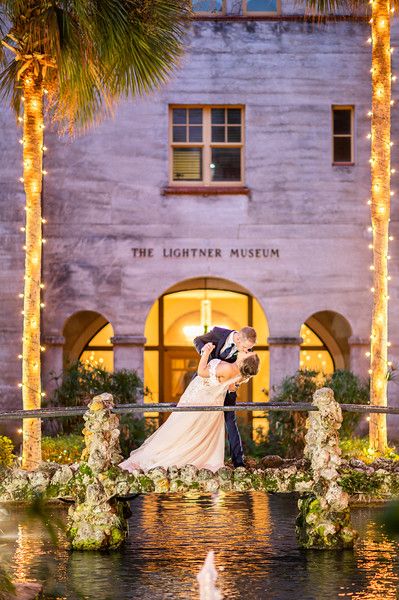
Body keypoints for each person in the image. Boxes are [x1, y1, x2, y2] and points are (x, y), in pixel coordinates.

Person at [119, 342, 260, 473]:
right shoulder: (238, 375)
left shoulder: (228, 368)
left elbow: (201, 372)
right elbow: (230, 389)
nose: (247, 350)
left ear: (243, 361)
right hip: (212, 402)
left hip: (198, 397)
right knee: (193, 432)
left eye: (248, 353)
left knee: (180, 428)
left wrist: (206, 352)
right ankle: (193, 460)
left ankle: (158, 459)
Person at [193, 326, 257, 467]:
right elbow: (197, 340)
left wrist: (236, 383)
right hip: (205, 385)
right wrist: (205, 351)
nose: (247, 351)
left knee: (230, 422)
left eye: (249, 349)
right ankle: (196, 458)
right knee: (197, 420)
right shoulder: (218, 332)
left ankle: (238, 462)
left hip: (228, 389)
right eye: (246, 347)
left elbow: (246, 372)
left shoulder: (246, 351)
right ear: (238, 339)